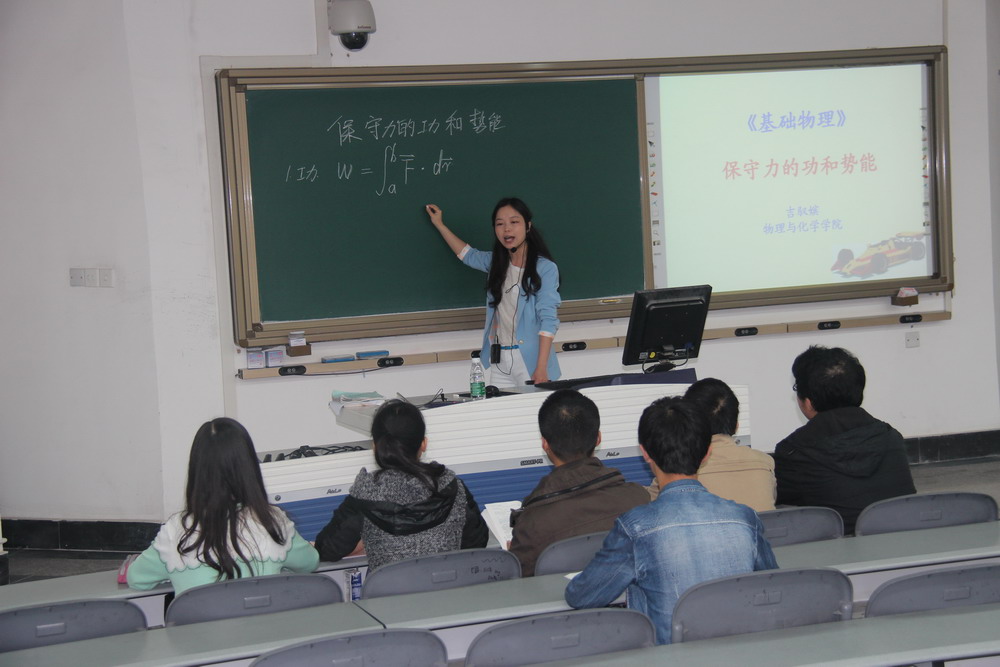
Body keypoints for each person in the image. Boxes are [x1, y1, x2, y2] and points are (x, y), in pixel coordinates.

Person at [565, 396, 777, 645]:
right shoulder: (745, 518)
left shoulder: (635, 527)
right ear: (707, 451)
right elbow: (772, 584)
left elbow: (583, 597)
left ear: (644, 452)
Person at [127, 418, 318, 595]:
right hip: (264, 631)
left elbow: (136, 579)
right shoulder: (273, 522)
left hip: (198, 631)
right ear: (249, 468)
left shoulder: (175, 531)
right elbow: (310, 563)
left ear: (196, 470)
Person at [315, 399, 488, 571]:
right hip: (447, 593)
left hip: (386, 596)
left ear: (375, 447)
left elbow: (328, 549)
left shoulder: (365, 493)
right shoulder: (453, 487)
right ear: (423, 444)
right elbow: (477, 542)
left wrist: (366, 542)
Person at [773, 345, 915, 534]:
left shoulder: (794, 452)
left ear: (807, 402)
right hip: (900, 546)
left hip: (836, 555)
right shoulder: (891, 438)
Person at [509, 389, 649, 576]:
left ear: (545, 444)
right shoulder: (639, 499)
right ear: (598, 438)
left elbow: (518, 580)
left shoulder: (532, 523)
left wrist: (511, 558)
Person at [425, 198, 560, 385]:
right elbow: (467, 255)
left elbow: (549, 320)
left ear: (528, 226)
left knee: (530, 414)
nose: (507, 229)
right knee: (500, 412)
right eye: (500, 224)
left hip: (530, 361)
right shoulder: (496, 263)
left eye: (514, 222)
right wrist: (439, 224)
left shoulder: (545, 268)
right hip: (500, 359)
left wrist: (541, 367)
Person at [647, 378, 776, 512]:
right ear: (736, 426)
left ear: (688, 424)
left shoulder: (678, 471)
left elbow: (651, 510)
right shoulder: (765, 463)